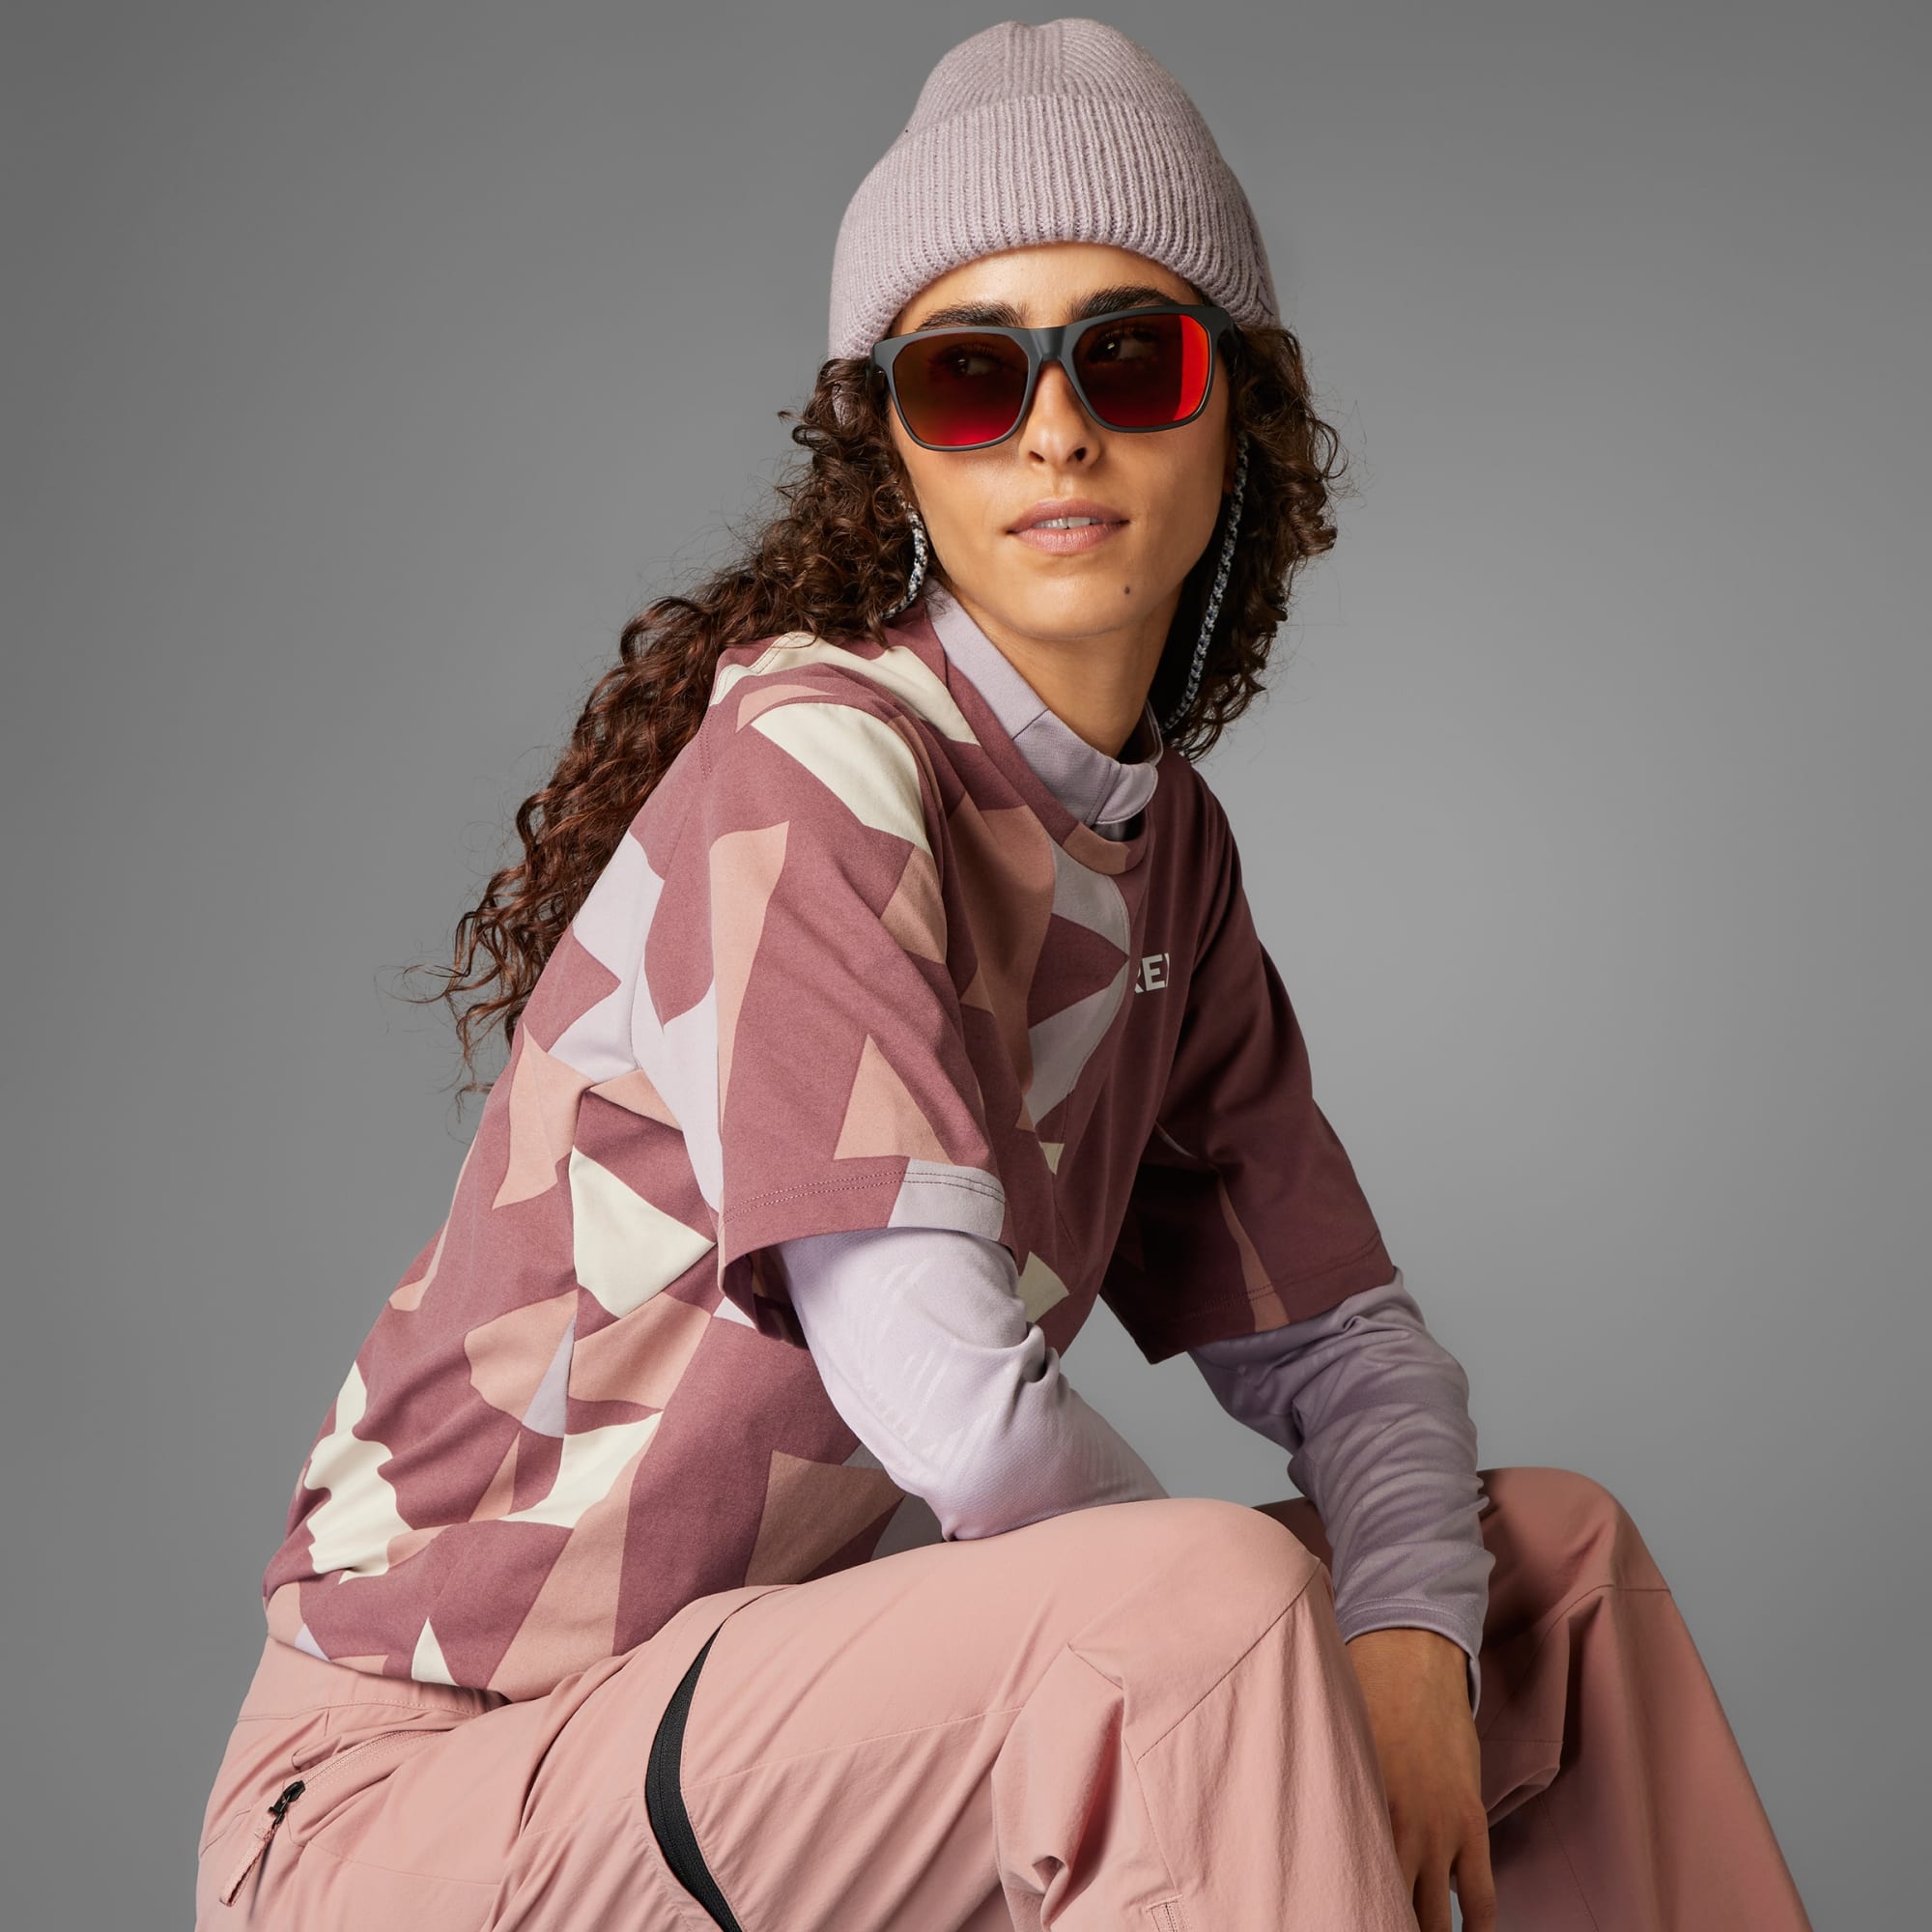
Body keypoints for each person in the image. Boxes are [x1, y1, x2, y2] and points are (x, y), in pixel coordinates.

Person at [192, 19, 1813, 1932]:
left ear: (1237, 414)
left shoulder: (1159, 855)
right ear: (891, 448)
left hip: (757, 1729)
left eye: (1129, 359)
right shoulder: (812, 765)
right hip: (416, 1800)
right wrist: (1252, 1661)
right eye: (970, 375)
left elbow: (1353, 1355)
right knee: (1205, 1617)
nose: (1056, 430)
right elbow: (947, 1404)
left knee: (1538, 1575)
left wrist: (1406, 1635)